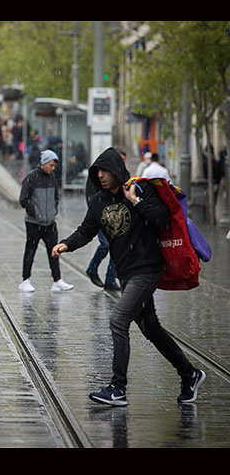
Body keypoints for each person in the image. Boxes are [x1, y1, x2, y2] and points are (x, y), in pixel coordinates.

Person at [51, 147, 206, 406]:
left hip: (147, 269)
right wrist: (66, 244)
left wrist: (135, 201)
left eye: (105, 171)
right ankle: (189, 373)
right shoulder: (99, 201)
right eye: (97, 171)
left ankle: (118, 388)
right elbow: (86, 230)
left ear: (116, 171)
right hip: (126, 272)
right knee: (150, 328)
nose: (100, 175)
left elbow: (161, 220)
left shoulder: (139, 190)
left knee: (118, 320)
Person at [18, 149, 74, 292]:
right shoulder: (31, 178)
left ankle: (57, 280)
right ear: (43, 163)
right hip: (34, 223)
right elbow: (23, 199)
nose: (52, 168)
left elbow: (56, 196)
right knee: (30, 250)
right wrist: (35, 213)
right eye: (50, 165)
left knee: (54, 250)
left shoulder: (52, 177)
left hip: (50, 222)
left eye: (54, 166)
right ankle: (25, 279)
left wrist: (53, 211)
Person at [85, 148, 127, 291]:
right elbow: (91, 197)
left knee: (116, 244)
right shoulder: (98, 178)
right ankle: (93, 268)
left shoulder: (122, 179)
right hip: (102, 218)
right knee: (106, 245)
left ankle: (109, 279)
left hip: (115, 218)